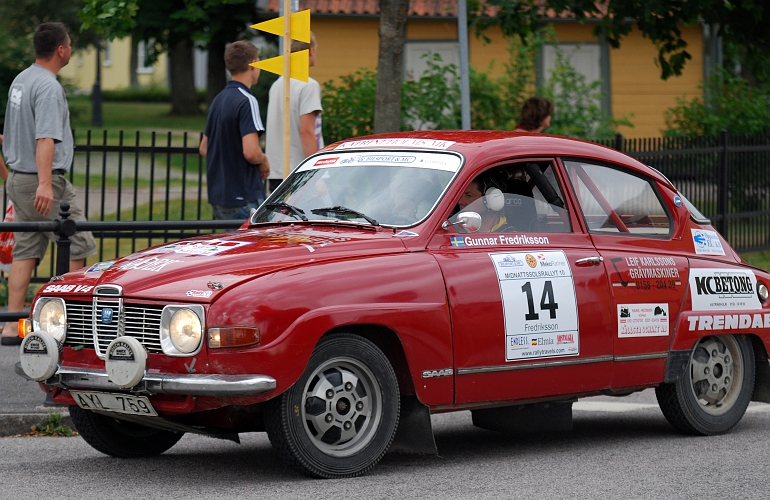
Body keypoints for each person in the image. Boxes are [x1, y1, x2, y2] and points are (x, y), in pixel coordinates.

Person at [1, 22, 96, 345]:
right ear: (61, 50)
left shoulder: (21, 80)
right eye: (69, 44)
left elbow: (14, 131)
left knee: (25, 250)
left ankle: (11, 325)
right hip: (44, 182)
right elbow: (45, 139)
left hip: (18, 178)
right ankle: (73, 325)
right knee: (78, 242)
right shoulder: (49, 87)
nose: (70, 49)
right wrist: (45, 184)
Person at [199, 41, 270, 220]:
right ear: (253, 64)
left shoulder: (218, 100)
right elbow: (252, 153)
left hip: (219, 198)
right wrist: (263, 159)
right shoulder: (247, 100)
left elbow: (204, 148)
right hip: (243, 196)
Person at [265, 32, 323, 193]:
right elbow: (306, 132)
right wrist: (316, 175)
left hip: (276, 172)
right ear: (311, 50)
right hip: (299, 174)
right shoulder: (308, 86)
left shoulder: (277, 84)